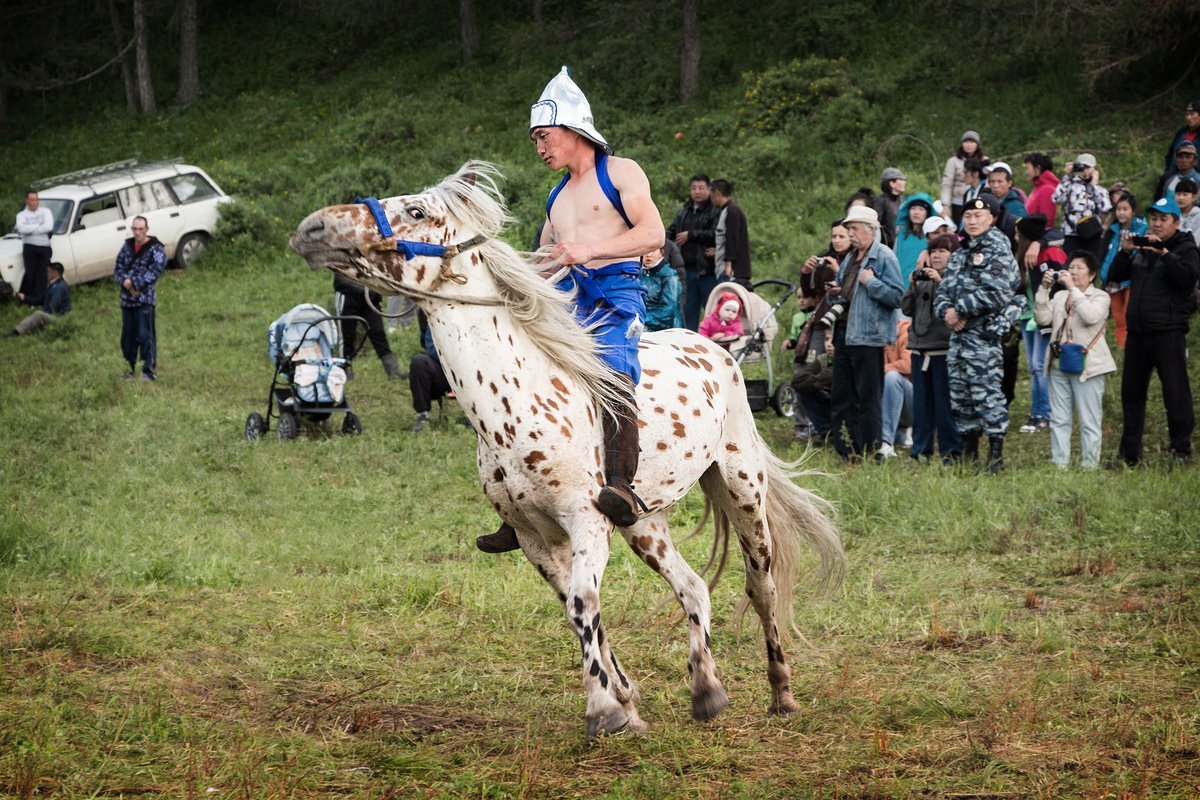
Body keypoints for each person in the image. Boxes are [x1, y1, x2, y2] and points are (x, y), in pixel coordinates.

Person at [477, 66, 664, 553]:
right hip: (568, 298)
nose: (539, 148)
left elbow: (652, 235)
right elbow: (545, 260)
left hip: (616, 292)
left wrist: (589, 250)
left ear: (574, 130)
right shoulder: (556, 196)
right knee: (521, 374)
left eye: (544, 137)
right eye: (535, 140)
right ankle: (516, 507)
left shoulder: (620, 171)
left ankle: (622, 484)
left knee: (611, 369)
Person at [933, 194, 1024, 473]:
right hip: (959, 338)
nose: (972, 221)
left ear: (992, 219)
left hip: (983, 338)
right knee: (961, 397)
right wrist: (947, 313)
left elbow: (995, 292)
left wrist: (959, 310)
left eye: (978, 216)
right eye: (968, 216)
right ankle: (969, 454)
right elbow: (943, 293)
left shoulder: (998, 248)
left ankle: (996, 456)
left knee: (987, 395)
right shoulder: (960, 253)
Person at [1108, 196, 1199, 467]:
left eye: (1163, 219)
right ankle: (1129, 455)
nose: (1157, 224)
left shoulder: (1186, 248)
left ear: (1176, 221)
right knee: (1131, 395)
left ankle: (1181, 452)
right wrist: (1125, 251)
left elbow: (1186, 281)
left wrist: (1166, 255)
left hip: (1168, 332)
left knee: (1176, 393)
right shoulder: (1143, 247)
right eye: (1154, 218)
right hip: (1138, 333)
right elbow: (1113, 277)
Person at [825, 205, 904, 462]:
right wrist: (834, 291)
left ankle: (871, 450)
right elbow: (844, 293)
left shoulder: (884, 257)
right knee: (842, 394)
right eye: (849, 229)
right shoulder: (850, 258)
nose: (851, 234)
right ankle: (847, 450)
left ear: (870, 230)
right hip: (845, 334)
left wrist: (871, 282)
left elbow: (897, 296)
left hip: (869, 336)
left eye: (854, 229)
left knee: (867, 396)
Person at [1033, 251, 1115, 469]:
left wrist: (1072, 290)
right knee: (1059, 418)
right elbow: (1041, 318)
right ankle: (1060, 464)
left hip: (1088, 366)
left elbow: (1090, 317)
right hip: (1059, 364)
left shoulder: (1100, 296)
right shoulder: (1060, 297)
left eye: (1080, 267)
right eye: (1071, 267)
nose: (1073, 271)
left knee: (1089, 419)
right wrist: (1044, 289)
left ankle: (1090, 466)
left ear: (1092, 274)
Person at [902, 234, 962, 463]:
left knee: (944, 406)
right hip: (919, 350)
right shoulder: (923, 278)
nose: (937, 255)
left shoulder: (956, 280)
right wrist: (912, 286)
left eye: (943, 251)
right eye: (934, 251)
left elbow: (957, 304)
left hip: (943, 351)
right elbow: (907, 309)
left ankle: (951, 453)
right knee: (921, 406)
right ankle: (920, 452)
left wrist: (940, 281)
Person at [1014, 214, 1066, 435]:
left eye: (1018, 235)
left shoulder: (1050, 252)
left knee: (1039, 366)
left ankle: (1045, 414)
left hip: (1045, 318)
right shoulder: (1022, 256)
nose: (1015, 238)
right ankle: (1037, 412)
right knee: (1034, 368)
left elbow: (1064, 281)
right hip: (1028, 317)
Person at [114, 216, 166, 381]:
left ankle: (148, 371)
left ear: (147, 229)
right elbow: (118, 267)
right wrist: (125, 283)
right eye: (134, 229)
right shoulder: (127, 246)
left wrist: (135, 283)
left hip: (144, 300)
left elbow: (155, 271)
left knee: (145, 336)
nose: (137, 232)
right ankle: (129, 370)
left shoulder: (156, 249)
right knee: (127, 338)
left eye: (140, 229)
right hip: (127, 300)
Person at [665, 174, 718, 330]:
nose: (697, 191)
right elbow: (671, 231)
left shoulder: (714, 210)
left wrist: (691, 235)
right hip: (685, 270)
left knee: (711, 311)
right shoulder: (684, 210)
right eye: (694, 188)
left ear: (709, 189)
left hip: (707, 270)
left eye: (701, 188)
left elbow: (716, 234)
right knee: (687, 312)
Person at [333, 273, 406, 380]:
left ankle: (393, 370)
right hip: (348, 297)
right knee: (346, 337)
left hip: (370, 300)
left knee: (378, 333)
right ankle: (345, 371)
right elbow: (339, 281)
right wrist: (362, 288)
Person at [1098, 191, 1147, 350]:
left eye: (1125, 209)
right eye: (1119, 209)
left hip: (1131, 278)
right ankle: (1122, 349)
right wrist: (1104, 275)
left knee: (1129, 314)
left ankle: (1134, 348)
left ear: (1133, 210)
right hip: (1113, 278)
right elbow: (1104, 255)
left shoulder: (1142, 229)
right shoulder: (1112, 230)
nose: (1121, 212)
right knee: (1118, 317)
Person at [1051, 153, 1111, 261]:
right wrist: (1068, 176)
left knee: (1090, 268)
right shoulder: (1070, 185)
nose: (1085, 171)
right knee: (1070, 266)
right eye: (1082, 167)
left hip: (1092, 234)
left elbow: (1105, 207)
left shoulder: (1099, 189)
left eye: (1088, 167)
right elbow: (1056, 198)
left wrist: (1094, 186)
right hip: (1071, 234)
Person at [409, 310, 453, 432]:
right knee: (419, 362)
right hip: (443, 370)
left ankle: (477, 415)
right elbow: (429, 346)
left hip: (469, 373)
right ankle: (423, 415)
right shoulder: (432, 314)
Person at [878, 318, 913, 457]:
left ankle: (885, 441)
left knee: (892, 378)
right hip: (889, 403)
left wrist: (880, 369)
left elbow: (908, 365)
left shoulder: (906, 331)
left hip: (914, 402)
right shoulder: (873, 338)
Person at [7, 261, 70, 337]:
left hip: (60, 319)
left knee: (38, 314)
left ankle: (16, 332)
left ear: (55, 273)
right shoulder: (52, 285)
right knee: (38, 313)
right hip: (54, 315)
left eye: (48, 272)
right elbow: (39, 300)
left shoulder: (60, 287)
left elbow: (53, 307)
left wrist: (42, 312)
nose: (46, 274)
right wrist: (24, 298)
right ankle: (26, 329)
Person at [15, 190, 55, 308]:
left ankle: (41, 300)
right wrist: (39, 226)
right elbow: (22, 229)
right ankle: (30, 301)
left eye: (36, 200)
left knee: (42, 274)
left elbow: (48, 227)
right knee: (30, 274)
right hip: (29, 247)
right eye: (31, 200)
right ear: (27, 201)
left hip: (44, 246)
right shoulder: (21, 215)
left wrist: (31, 229)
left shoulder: (45, 212)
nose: (34, 202)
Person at [710, 179, 751, 287]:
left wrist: (729, 264)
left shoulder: (732, 211)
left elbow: (732, 239)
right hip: (727, 269)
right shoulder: (726, 210)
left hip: (732, 272)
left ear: (717, 193)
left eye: (711, 194)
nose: (711, 198)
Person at [941, 131, 984, 225]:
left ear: (977, 144)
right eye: (966, 142)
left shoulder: (984, 161)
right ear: (962, 144)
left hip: (978, 200)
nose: (969, 145)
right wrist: (945, 205)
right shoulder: (953, 161)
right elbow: (947, 184)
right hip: (958, 202)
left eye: (972, 142)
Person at [638, 243, 683, 331]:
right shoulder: (638, 274)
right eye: (645, 251)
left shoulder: (670, 275)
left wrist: (641, 320)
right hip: (641, 324)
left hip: (666, 330)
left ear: (661, 253)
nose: (648, 255)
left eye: (653, 250)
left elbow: (668, 310)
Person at [893, 193, 934, 287]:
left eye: (921, 209)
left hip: (922, 287)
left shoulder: (932, 236)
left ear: (927, 213)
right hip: (898, 286)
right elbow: (893, 259)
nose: (916, 212)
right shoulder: (901, 234)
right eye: (913, 208)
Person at [1162, 100, 1200, 175]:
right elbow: (1170, 155)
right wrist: (1168, 173)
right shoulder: (1181, 132)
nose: (1189, 118)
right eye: (1187, 114)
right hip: (1174, 176)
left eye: (1192, 114)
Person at [1023, 153, 1059, 227]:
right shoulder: (1038, 188)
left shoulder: (1048, 190)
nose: (1026, 172)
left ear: (1037, 168)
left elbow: (1047, 221)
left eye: (1028, 168)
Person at [872, 168, 906, 248]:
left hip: (903, 243)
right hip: (887, 246)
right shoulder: (880, 201)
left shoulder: (904, 200)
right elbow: (875, 224)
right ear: (892, 183)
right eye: (901, 179)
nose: (904, 182)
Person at [1175, 178, 1200, 244]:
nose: (1181, 198)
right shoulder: (1173, 214)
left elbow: (1196, 241)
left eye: (1185, 194)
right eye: (1178, 194)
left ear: (1194, 197)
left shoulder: (1198, 216)